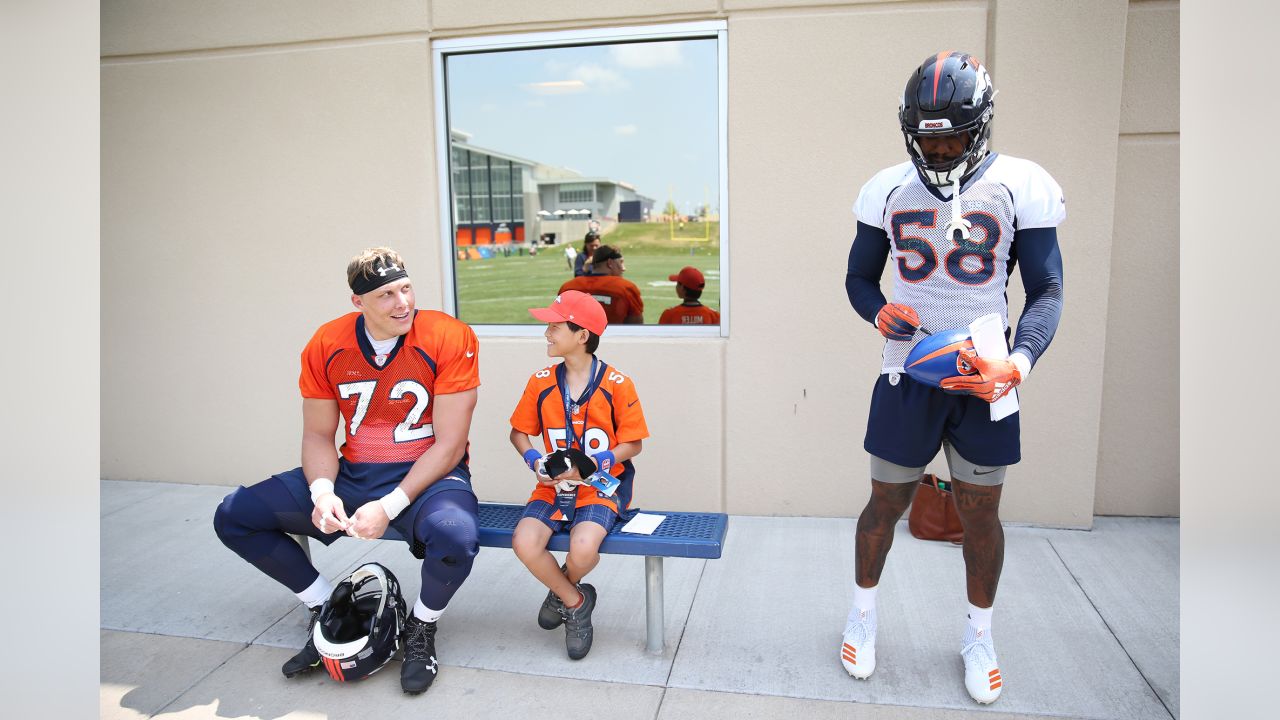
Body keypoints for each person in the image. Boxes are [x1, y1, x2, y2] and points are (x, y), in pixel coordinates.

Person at [841, 52, 1065, 705]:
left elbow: (1047, 290)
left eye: (951, 137)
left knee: (981, 514)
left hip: (985, 373)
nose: (937, 151)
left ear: (981, 129)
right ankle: (861, 615)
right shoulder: (887, 187)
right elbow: (859, 278)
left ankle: (980, 634)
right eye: (927, 137)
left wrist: (1016, 364)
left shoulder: (1019, 185)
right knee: (886, 503)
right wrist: (877, 310)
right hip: (907, 372)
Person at [213, 247, 482, 695]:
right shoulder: (327, 342)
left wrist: (391, 504)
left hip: (428, 474)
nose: (403, 303)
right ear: (358, 302)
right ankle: (325, 607)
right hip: (355, 471)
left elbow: (450, 444)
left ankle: (421, 627)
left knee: (456, 536)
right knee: (235, 515)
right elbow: (318, 435)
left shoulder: (448, 335)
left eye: (406, 288)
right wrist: (322, 492)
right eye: (386, 295)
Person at [508, 290, 649, 660]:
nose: (547, 334)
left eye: (555, 327)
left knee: (583, 550)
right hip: (553, 488)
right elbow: (518, 433)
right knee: (524, 542)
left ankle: (561, 591)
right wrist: (535, 461)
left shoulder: (618, 383)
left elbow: (633, 444)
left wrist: (591, 464)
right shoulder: (540, 381)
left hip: (599, 488)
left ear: (582, 335)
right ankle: (576, 601)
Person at [558, 245, 644, 324]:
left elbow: (560, 323)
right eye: (621, 262)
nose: (624, 268)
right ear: (610, 263)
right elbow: (635, 327)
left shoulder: (567, 287)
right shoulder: (626, 288)